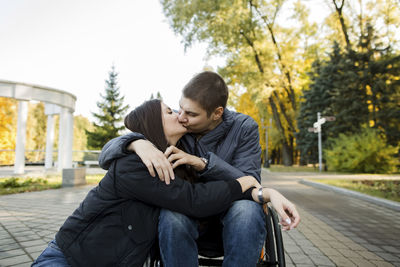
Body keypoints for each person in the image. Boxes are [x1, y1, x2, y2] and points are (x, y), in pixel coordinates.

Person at [32, 99, 297, 267]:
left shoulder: (171, 158)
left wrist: (265, 192)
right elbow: (193, 199)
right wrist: (245, 183)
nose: (180, 115)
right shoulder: (135, 164)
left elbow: (194, 191)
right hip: (70, 259)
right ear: (154, 125)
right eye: (170, 111)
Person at [98, 72, 300, 266]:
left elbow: (250, 181)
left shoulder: (244, 127)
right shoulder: (180, 126)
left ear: (217, 113)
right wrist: (135, 143)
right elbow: (114, 147)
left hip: (232, 214)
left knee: (246, 211)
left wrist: (202, 163)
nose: (181, 117)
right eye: (179, 108)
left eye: (191, 114)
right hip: (187, 211)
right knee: (172, 215)